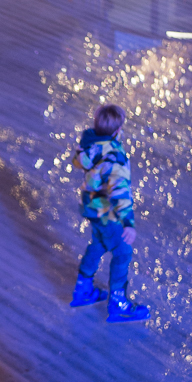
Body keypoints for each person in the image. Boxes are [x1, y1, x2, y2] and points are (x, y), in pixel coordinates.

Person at [71, 103, 150, 323]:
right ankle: (118, 303)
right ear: (118, 131)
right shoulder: (115, 154)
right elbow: (119, 192)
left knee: (98, 244)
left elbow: (80, 162)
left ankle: (83, 289)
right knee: (123, 253)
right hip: (108, 213)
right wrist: (128, 223)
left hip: (92, 207)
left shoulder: (90, 146)